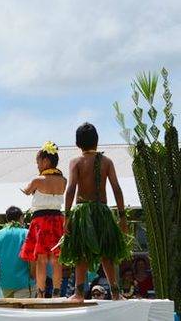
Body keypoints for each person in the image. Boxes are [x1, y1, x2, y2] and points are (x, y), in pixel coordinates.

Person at [60, 123, 131, 302]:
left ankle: (78, 293)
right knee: (107, 253)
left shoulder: (76, 162)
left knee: (81, 253)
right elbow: (117, 189)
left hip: (83, 211)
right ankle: (115, 293)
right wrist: (122, 217)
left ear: (77, 143)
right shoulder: (106, 162)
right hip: (102, 211)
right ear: (97, 141)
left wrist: (66, 216)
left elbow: (71, 189)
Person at [18, 141, 68, 298]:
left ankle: (40, 293)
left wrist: (27, 189)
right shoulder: (63, 180)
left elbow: (27, 191)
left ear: (46, 161)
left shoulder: (37, 180)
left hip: (41, 221)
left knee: (41, 259)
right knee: (56, 259)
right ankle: (56, 292)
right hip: (57, 219)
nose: (38, 165)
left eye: (38, 162)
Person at [0, 207, 31, 298]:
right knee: (24, 311)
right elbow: (33, 259)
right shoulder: (27, 233)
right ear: (21, 217)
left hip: (6, 284)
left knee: (10, 311)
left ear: (7, 219)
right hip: (25, 283)